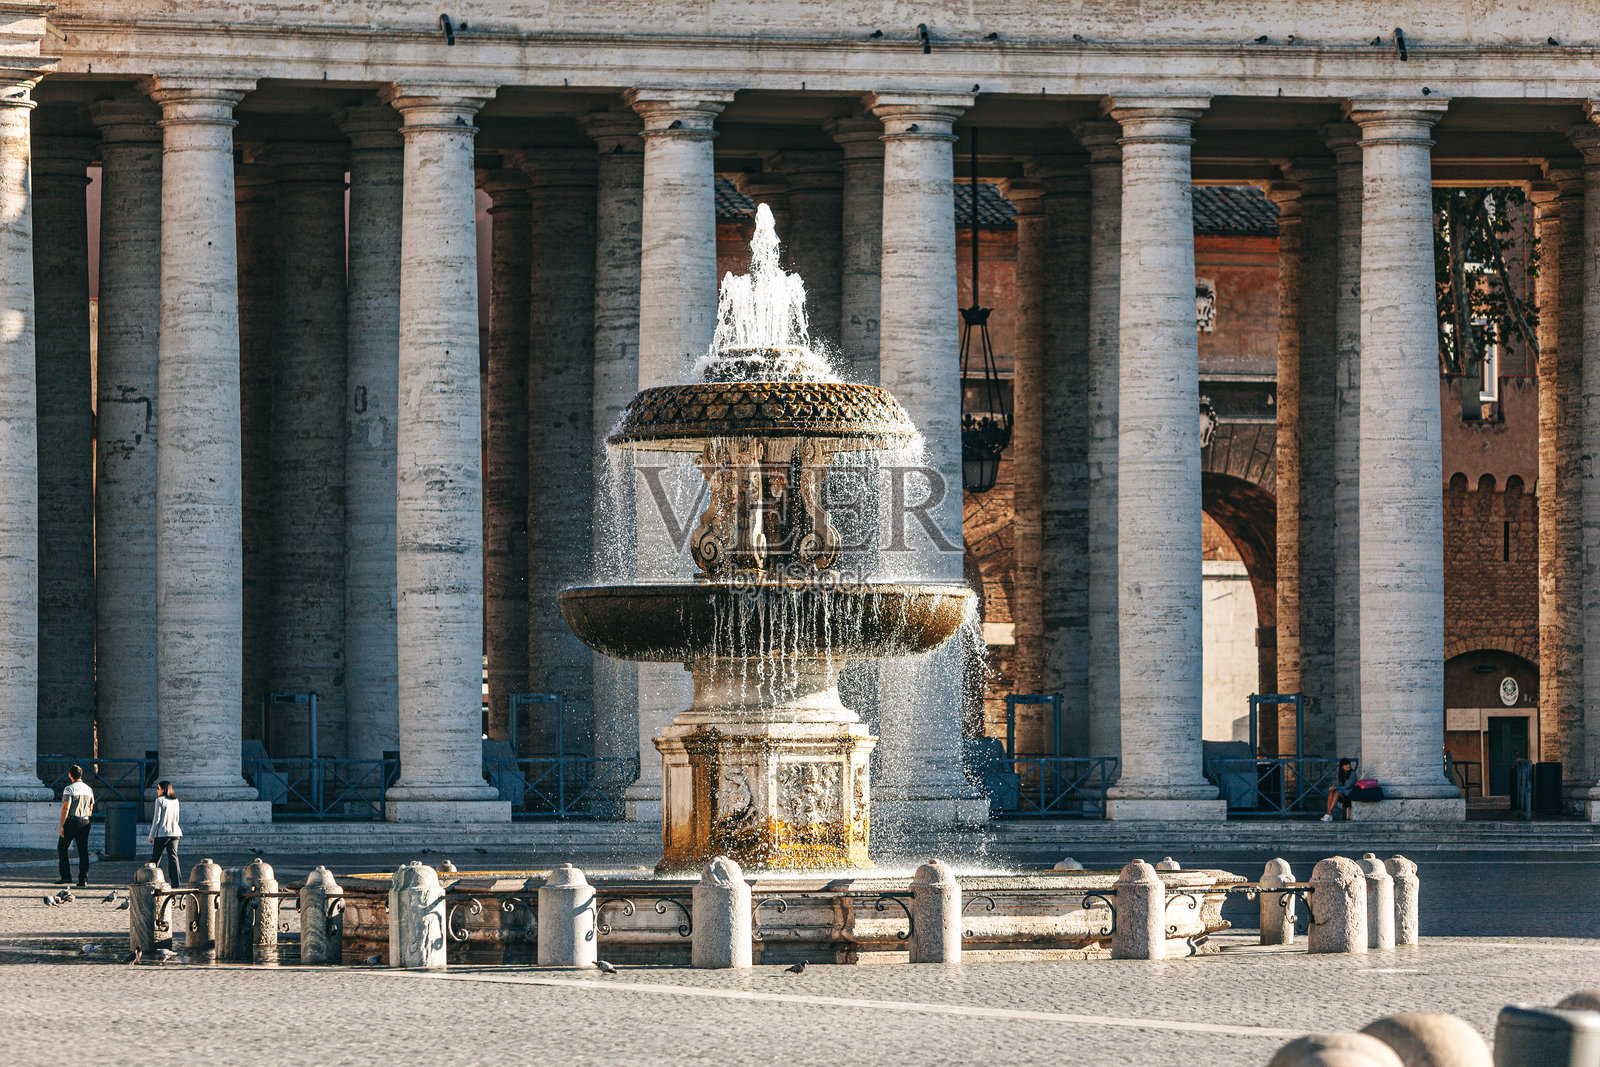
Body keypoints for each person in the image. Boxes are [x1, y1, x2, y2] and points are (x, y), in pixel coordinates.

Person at [56, 765, 94, 886]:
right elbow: (91, 806)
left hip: (72, 821)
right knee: (83, 850)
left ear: (70, 775)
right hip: (85, 821)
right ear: (81, 775)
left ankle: (66, 876)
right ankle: (83, 879)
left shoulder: (69, 789)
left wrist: (61, 825)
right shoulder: (89, 789)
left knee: (62, 847)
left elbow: (65, 808)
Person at [148, 780, 182, 886]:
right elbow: (177, 818)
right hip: (175, 832)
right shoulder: (176, 801)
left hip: (162, 833)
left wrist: (151, 835)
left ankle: (151, 879)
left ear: (164, 789)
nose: (157, 791)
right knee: (173, 857)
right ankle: (176, 883)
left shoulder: (159, 800)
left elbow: (156, 819)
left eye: (158, 788)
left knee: (155, 858)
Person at [1321, 757, 1355, 822]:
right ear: (1342, 766)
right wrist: (1333, 787)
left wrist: (1336, 787)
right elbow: (1340, 785)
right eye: (1346, 764)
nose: (1348, 765)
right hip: (1342, 793)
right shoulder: (1340, 774)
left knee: (1337, 791)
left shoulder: (1352, 773)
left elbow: (1347, 786)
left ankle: (1328, 813)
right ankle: (1328, 814)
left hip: (1349, 794)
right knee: (1332, 791)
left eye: (1348, 764)